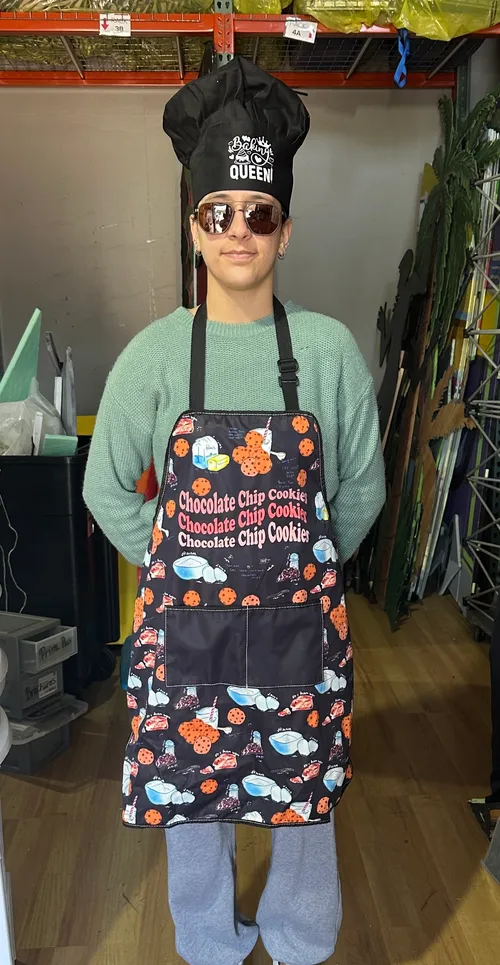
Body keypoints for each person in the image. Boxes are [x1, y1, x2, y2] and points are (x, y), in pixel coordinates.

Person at [84, 56, 385, 965]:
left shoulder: (329, 354)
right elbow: (106, 485)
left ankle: (300, 939)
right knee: (192, 789)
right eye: (220, 213)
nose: (239, 231)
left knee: (302, 798)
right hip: (190, 635)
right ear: (195, 228)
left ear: (284, 231)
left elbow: (362, 489)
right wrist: (174, 561)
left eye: (259, 214)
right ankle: (210, 942)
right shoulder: (152, 359)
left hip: (298, 629)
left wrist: (307, 572)